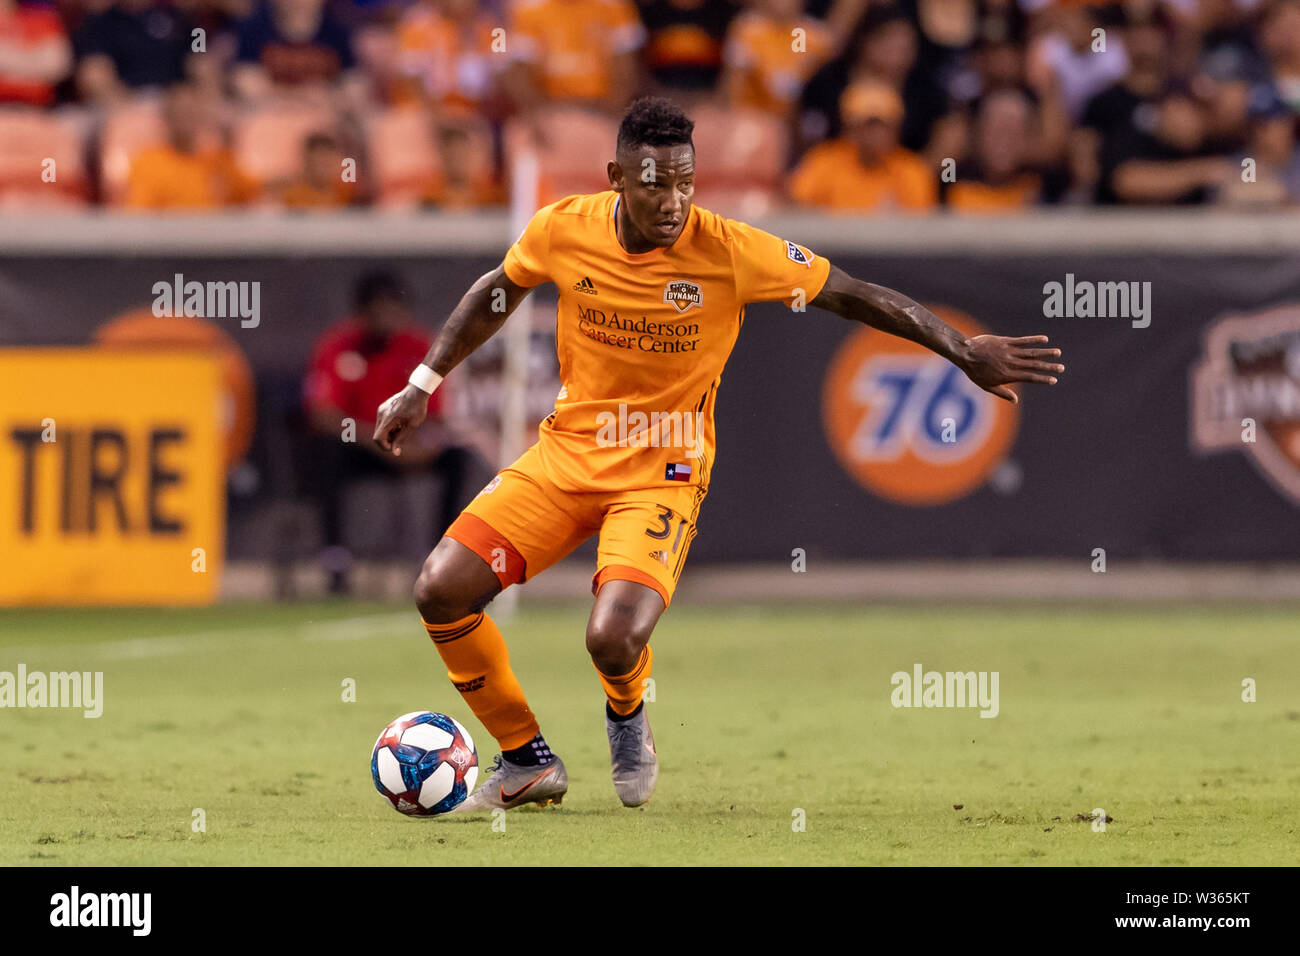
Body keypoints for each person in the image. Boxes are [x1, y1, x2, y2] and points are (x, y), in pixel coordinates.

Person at [371, 97, 1065, 814]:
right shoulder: (562, 229)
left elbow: (854, 296)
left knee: (612, 638)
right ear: (616, 176)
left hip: (662, 471)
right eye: (654, 186)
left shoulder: (730, 250)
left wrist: (960, 349)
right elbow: (499, 290)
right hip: (567, 454)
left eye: (685, 184)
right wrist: (423, 383)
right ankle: (525, 761)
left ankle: (627, 716)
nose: (673, 203)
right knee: (440, 591)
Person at [304, 271, 479, 595]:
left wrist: (421, 444)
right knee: (326, 450)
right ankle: (336, 560)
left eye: (392, 310)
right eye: (377, 311)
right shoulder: (338, 346)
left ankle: (440, 559)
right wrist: (376, 439)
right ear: (362, 313)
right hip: (359, 448)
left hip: (408, 447)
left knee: (457, 458)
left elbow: (437, 415)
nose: (386, 320)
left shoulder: (418, 346)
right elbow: (324, 414)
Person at [788, 80, 937, 211]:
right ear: (849, 127)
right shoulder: (823, 162)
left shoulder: (912, 170)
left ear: (896, 128)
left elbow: (921, 227)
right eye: (867, 125)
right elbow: (798, 210)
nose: (875, 134)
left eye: (883, 125)